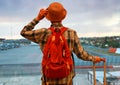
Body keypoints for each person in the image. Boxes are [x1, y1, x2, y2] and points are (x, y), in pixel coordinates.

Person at [20, 2, 105, 85]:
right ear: (63, 17)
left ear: (48, 17)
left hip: (48, 79)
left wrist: (38, 18)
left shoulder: (43, 33)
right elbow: (81, 54)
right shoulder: (72, 33)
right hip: (66, 79)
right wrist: (94, 58)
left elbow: (24, 32)